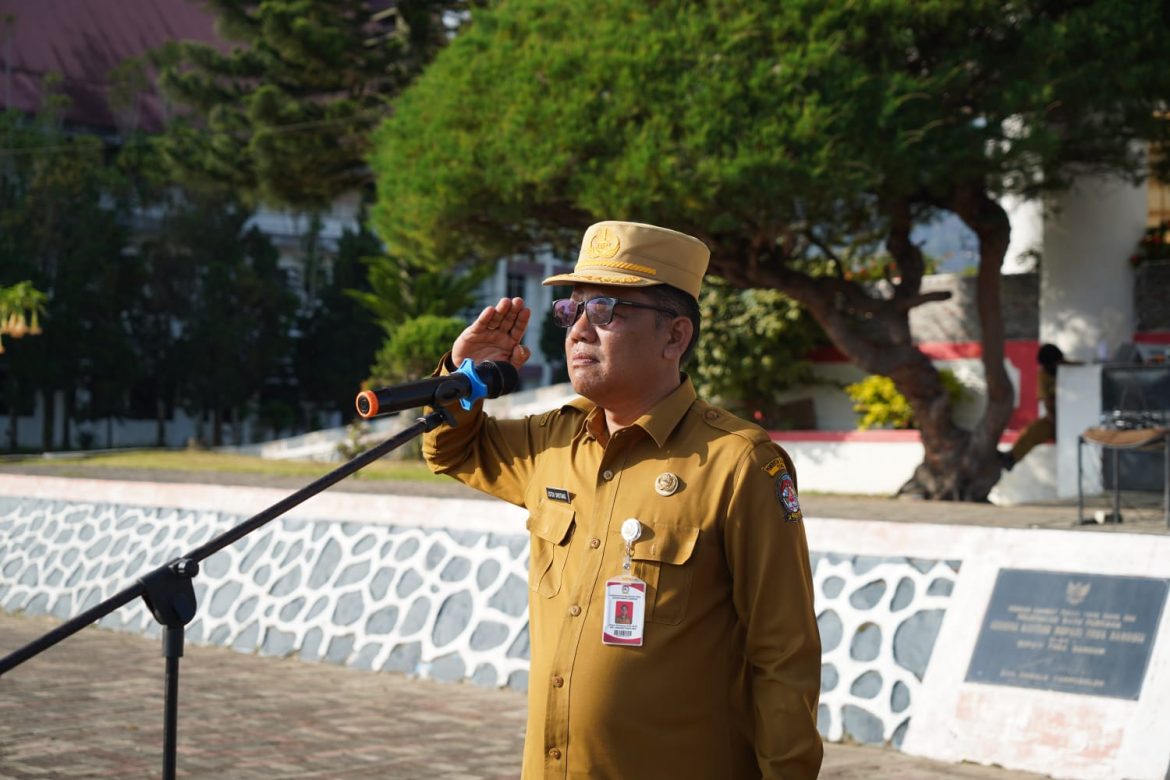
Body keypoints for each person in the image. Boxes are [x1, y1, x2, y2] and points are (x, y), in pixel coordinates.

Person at [423, 221, 822, 779]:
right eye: (572, 310)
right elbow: (452, 451)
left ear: (674, 337)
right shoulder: (553, 442)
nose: (579, 330)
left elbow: (784, 654)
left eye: (606, 310)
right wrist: (461, 379)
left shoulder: (740, 463)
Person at [999, 343, 1066, 471]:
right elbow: (1047, 401)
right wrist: (1055, 423)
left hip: (1076, 417)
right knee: (1031, 431)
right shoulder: (1044, 375)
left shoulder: (1074, 370)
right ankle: (1012, 458)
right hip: (1055, 418)